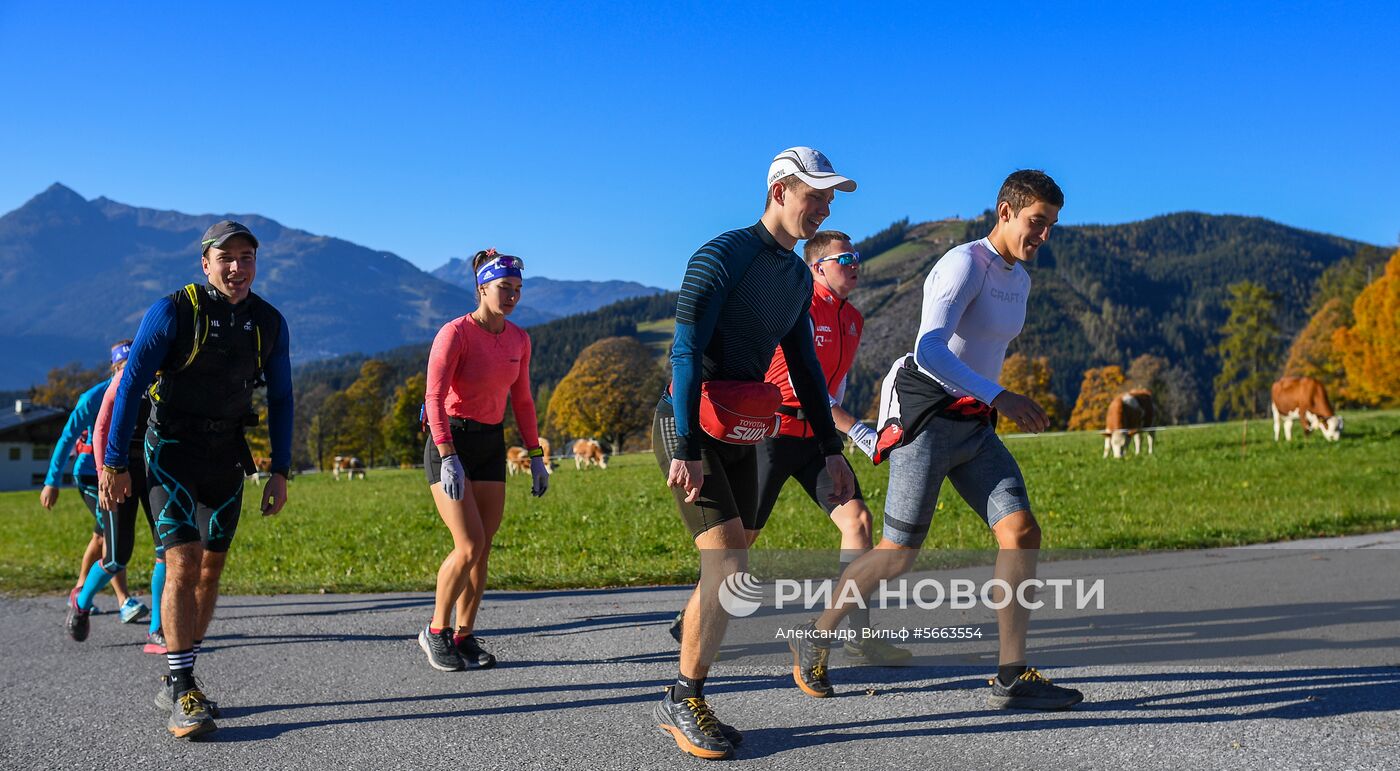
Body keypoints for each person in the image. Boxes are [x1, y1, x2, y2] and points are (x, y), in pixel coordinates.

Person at [787, 170, 1083, 710]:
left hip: (973, 423)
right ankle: (818, 632)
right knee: (897, 555)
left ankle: (1011, 674)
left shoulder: (1019, 279)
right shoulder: (964, 264)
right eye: (1036, 223)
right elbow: (930, 351)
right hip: (924, 417)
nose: (1044, 235)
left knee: (1021, 532)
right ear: (1005, 212)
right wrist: (1001, 396)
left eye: (1051, 226)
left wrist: (990, 400)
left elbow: (982, 349)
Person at [651, 147, 857, 760]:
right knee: (727, 570)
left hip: (743, 428)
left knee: (731, 572)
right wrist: (685, 446)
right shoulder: (721, 256)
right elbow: (684, 352)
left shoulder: (795, 277)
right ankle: (683, 698)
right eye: (813, 196)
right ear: (779, 191)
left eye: (828, 199)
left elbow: (807, 374)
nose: (822, 208)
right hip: (688, 425)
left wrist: (831, 449)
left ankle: (685, 675)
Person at [666, 230, 911, 666]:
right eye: (845, 258)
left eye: (857, 257)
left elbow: (830, 386)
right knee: (740, 543)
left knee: (858, 521)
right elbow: (798, 380)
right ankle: (691, 621)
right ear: (817, 267)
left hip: (815, 439)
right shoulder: (800, 302)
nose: (854, 264)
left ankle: (859, 635)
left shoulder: (853, 319)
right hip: (771, 435)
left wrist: (834, 439)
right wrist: (857, 430)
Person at [100, 220, 293, 740]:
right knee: (182, 564)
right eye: (225, 257)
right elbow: (130, 389)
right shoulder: (171, 312)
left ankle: (178, 671)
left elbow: (281, 399)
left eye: (246, 257)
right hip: (171, 453)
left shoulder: (268, 322)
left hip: (226, 457)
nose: (236, 267)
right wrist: (114, 463)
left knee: (210, 572)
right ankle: (183, 685)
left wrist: (281, 469)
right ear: (204, 262)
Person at [420, 248, 548, 673]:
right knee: (468, 544)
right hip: (451, 442)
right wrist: (447, 454)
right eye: (503, 288)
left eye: (517, 289)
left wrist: (535, 455)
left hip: (491, 442)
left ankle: (464, 634)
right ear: (482, 288)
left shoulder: (519, 339)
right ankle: (436, 631)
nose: (511, 296)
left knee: (484, 549)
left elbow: (523, 400)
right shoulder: (455, 333)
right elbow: (433, 398)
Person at [69, 340, 168, 653]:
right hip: (119, 470)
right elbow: (99, 430)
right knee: (116, 556)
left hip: (153, 471)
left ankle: (157, 629)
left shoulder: (159, 380)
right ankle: (82, 602)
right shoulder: (120, 383)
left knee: (167, 549)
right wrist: (103, 475)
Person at [46, 345, 146, 636]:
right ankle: (123, 600)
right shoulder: (93, 397)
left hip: (118, 474)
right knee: (108, 532)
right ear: (113, 369)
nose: (129, 370)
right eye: (123, 365)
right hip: (91, 475)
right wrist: (51, 481)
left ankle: (80, 589)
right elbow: (66, 438)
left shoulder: (142, 392)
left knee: (101, 534)